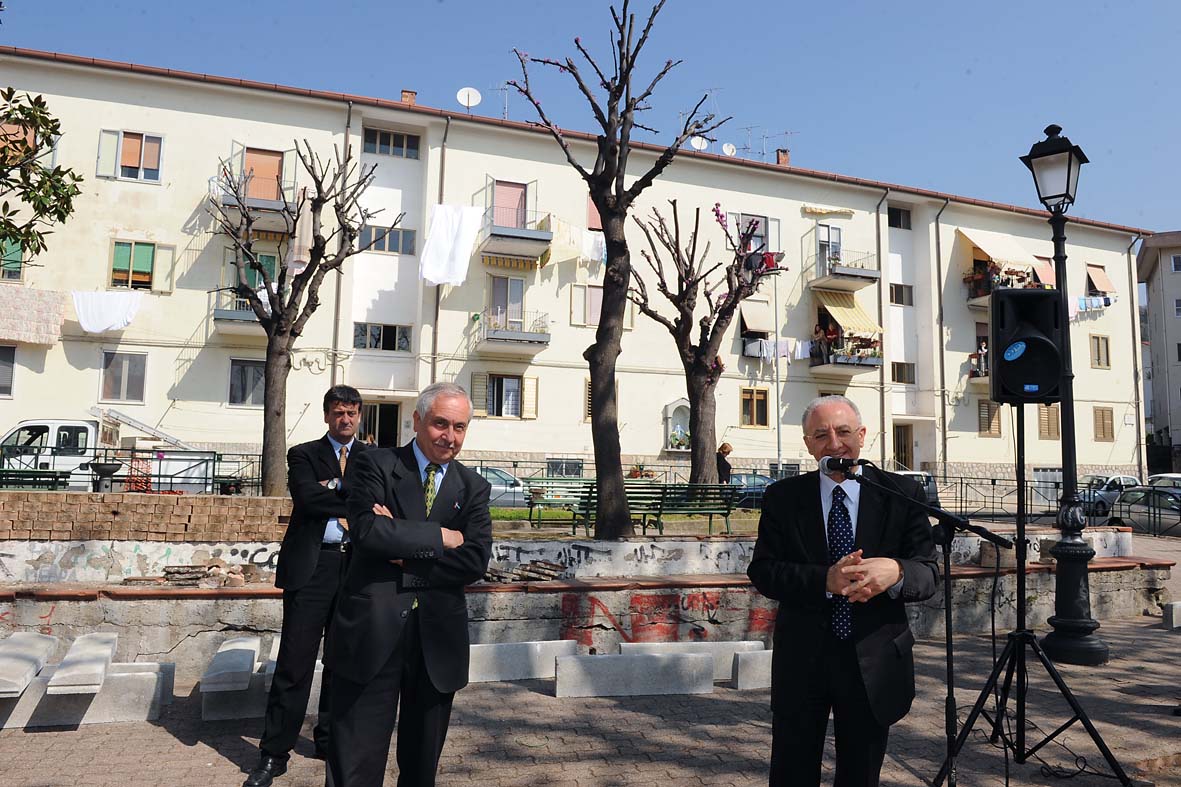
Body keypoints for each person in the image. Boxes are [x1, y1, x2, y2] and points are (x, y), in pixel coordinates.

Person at [747, 394, 937, 786]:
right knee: (791, 772)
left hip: (874, 659)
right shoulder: (783, 498)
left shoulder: (901, 494)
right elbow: (763, 571)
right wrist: (825, 581)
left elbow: (929, 574)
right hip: (804, 660)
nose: (834, 444)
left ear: (863, 435)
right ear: (807, 443)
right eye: (821, 435)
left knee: (860, 775)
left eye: (844, 431)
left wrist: (896, 570)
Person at [326, 382, 493, 787]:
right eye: (440, 424)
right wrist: (441, 539)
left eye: (459, 427)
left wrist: (400, 541)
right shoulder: (373, 464)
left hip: (437, 641)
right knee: (354, 765)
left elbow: (474, 560)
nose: (449, 437)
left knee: (421, 769)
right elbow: (367, 532)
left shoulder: (473, 487)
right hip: (372, 631)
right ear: (417, 421)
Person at [246, 385, 370, 787]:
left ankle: (329, 739)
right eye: (338, 413)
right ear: (326, 415)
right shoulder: (303, 454)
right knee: (294, 665)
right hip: (312, 569)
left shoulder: (372, 457)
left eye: (351, 413)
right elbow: (307, 499)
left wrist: (333, 488)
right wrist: (352, 496)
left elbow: (375, 500)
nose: (345, 419)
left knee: (343, 661)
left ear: (359, 415)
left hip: (355, 568)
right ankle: (273, 754)